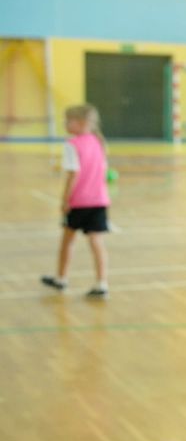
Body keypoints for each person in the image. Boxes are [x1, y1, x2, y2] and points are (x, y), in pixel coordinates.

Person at [41, 104, 111, 299]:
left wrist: (65, 200)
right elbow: (103, 171)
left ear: (81, 123)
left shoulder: (72, 144)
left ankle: (61, 279)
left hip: (79, 202)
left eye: (68, 120)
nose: (65, 124)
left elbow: (73, 174)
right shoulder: (99, 142)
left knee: (67, 241)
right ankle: (102, 283)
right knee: (97, 241)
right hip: (99, 200)